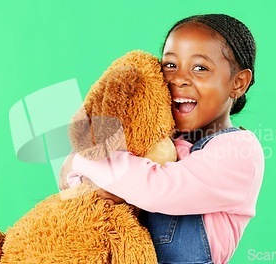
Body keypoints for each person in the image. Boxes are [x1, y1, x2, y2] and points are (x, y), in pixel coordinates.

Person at [67, 14, 264, 264]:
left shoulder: (238, 151)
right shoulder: (156, 139)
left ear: (238, 83)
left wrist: (82, 159)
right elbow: (81, 192)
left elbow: (157, 190)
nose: (178, 79)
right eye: (170, 65)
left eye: (200, 68)